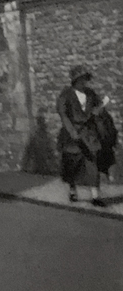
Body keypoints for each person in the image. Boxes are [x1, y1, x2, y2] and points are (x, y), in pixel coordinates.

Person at [57, 65, 106, 206]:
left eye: (85, 79)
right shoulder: (66, 95)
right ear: (75, 81)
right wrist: (72, 131)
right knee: (72, 163)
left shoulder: (90, 93)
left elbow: (98, 107)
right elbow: (63, 114)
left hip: (89, 133)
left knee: (92, 162)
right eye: (81, 80)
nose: (84, 82)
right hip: (72, 133)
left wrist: (99, 110)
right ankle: (72, 190)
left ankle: (95, 196)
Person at [96, 99, 118, 183]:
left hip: (106, 143)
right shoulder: (101, 117)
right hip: (102, 142)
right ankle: (104, 176)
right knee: (102, 160)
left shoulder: (107, 117)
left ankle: (107, 176)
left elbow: (112, 130)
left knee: (107, 159)